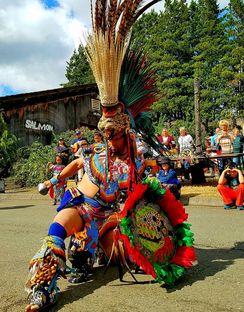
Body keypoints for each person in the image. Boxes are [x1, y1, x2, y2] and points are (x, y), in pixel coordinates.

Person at [24, 3, 196, 311]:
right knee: (57, 230)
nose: (108, 139)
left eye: (113, 134)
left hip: (109, 217)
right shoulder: (94, 154)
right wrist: (55, 178)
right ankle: (42, 288)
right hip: (81, 206)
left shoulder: (137, 163)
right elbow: (75, 165)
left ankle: (90, 255)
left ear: (126, 130)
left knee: (122, 253)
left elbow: (143, 201)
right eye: (105, 133)